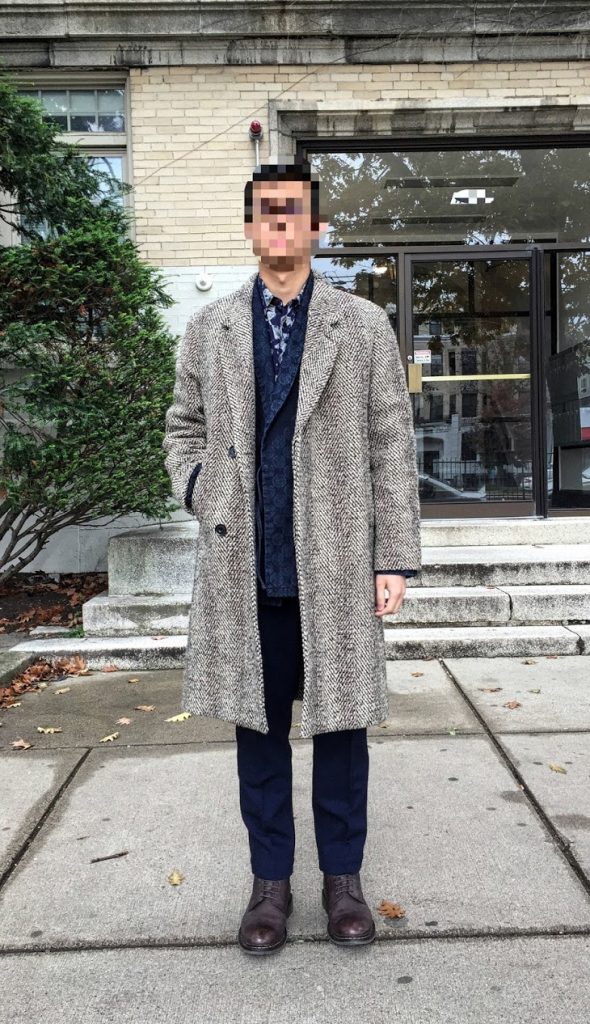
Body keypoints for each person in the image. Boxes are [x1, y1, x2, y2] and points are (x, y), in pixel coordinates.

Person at [162, 156, 421, 956]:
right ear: (250, 227)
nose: (281, 223)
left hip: (337, 562)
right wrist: (202, 487)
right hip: (247, 565)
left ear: (317, 226)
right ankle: (269, 887)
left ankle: (342, 881)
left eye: (294, 210)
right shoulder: (210, 328)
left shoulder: (362, 325)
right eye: (267, 210)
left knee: (342, 733)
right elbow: (183, 427)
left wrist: (392, 557)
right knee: (259, 733)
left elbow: (390, 444)